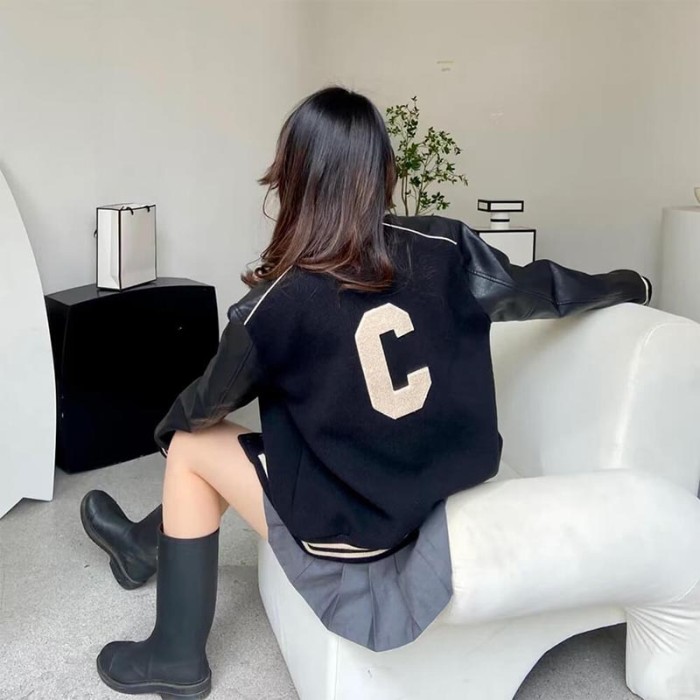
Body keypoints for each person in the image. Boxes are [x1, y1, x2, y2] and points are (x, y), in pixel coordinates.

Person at [81, 86, 652, 698]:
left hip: (362, 557)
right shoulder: (446, 246)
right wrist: (633, 283)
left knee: (193, 449)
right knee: (235, 447)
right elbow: (543, 288)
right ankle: (143, 545)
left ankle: (173, 656)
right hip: (441, 492)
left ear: (293, 177)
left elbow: (205, 406)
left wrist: (167, 434)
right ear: (382, 170)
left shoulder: (275, 306)